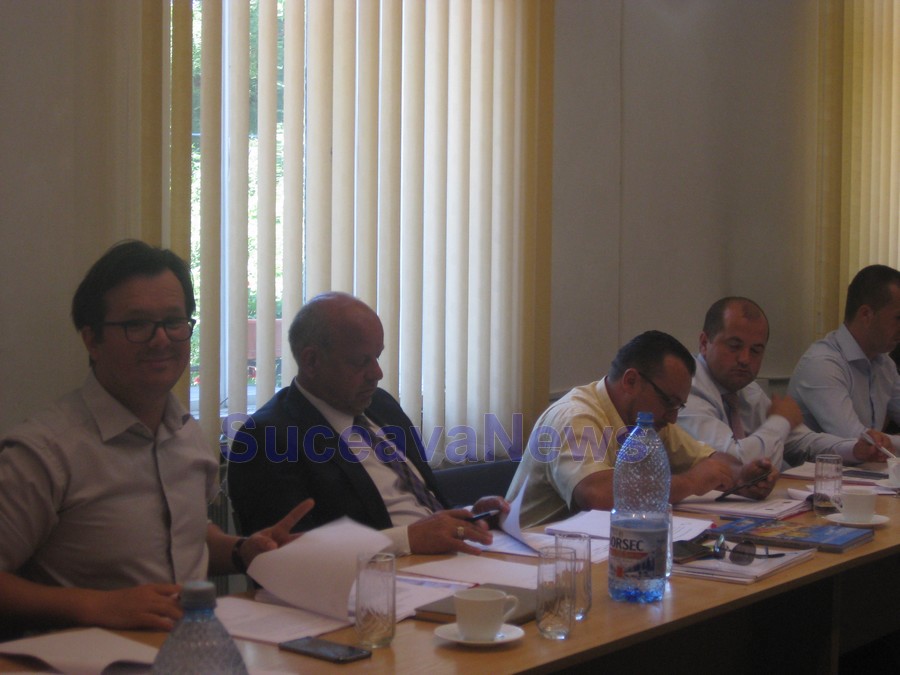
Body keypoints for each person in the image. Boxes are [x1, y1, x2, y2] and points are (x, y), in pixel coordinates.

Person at [0, 240, 313, 636]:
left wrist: (242, 550)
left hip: (191, 645)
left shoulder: (186, 433)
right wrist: (96, 605)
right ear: (92, 340)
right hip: (89, 655)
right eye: (136, 325)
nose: (161, 339)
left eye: (174, 322)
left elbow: (184, 536)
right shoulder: (44, 452)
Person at [227, 292, 508, 556]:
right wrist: (407, 539)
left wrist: (470, 516)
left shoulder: (381, 405)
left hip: (449, 563)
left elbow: (421, 509)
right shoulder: (267, 438)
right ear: (311, 361)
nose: (377, 373)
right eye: (361, 361)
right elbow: (284, 554)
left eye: (377, 356)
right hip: (380, 579)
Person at [505, 330, 776, 529]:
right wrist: (691, 482)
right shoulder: (575, 417)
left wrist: (742, 476)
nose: (672, 418)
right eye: (669, 402)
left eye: (678, 406)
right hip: (530, 559)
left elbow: (710, 459)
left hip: (593, 550)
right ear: (631, 381)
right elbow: (598, 496)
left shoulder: (648, 420)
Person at [678, 297, 888, 468]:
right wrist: (780, 420)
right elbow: (732, 462)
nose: (745, 359)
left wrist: (854, 449)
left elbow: (800, 441)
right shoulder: (685, 389)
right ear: (704, 343)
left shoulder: (747, 389)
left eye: (756, 350)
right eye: (734, 346)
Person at [789, 264, 900, 453]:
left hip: (861, 470)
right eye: (898, 318)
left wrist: (888, 442)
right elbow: (860, 443)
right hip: (814, 472)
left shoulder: (884, 364)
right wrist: (887, 442)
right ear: (866, 315)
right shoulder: (822, 364)